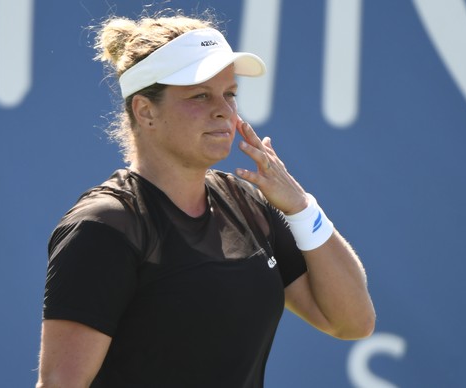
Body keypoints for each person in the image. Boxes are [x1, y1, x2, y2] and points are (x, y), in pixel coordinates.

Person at [36, 9, 375, 388]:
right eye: (200, 95)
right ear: (145, 111)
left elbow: (351, 321)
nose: (223, 111)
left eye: (230, 94)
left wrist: (300, 208)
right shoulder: (105, 227)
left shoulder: (248, 205)